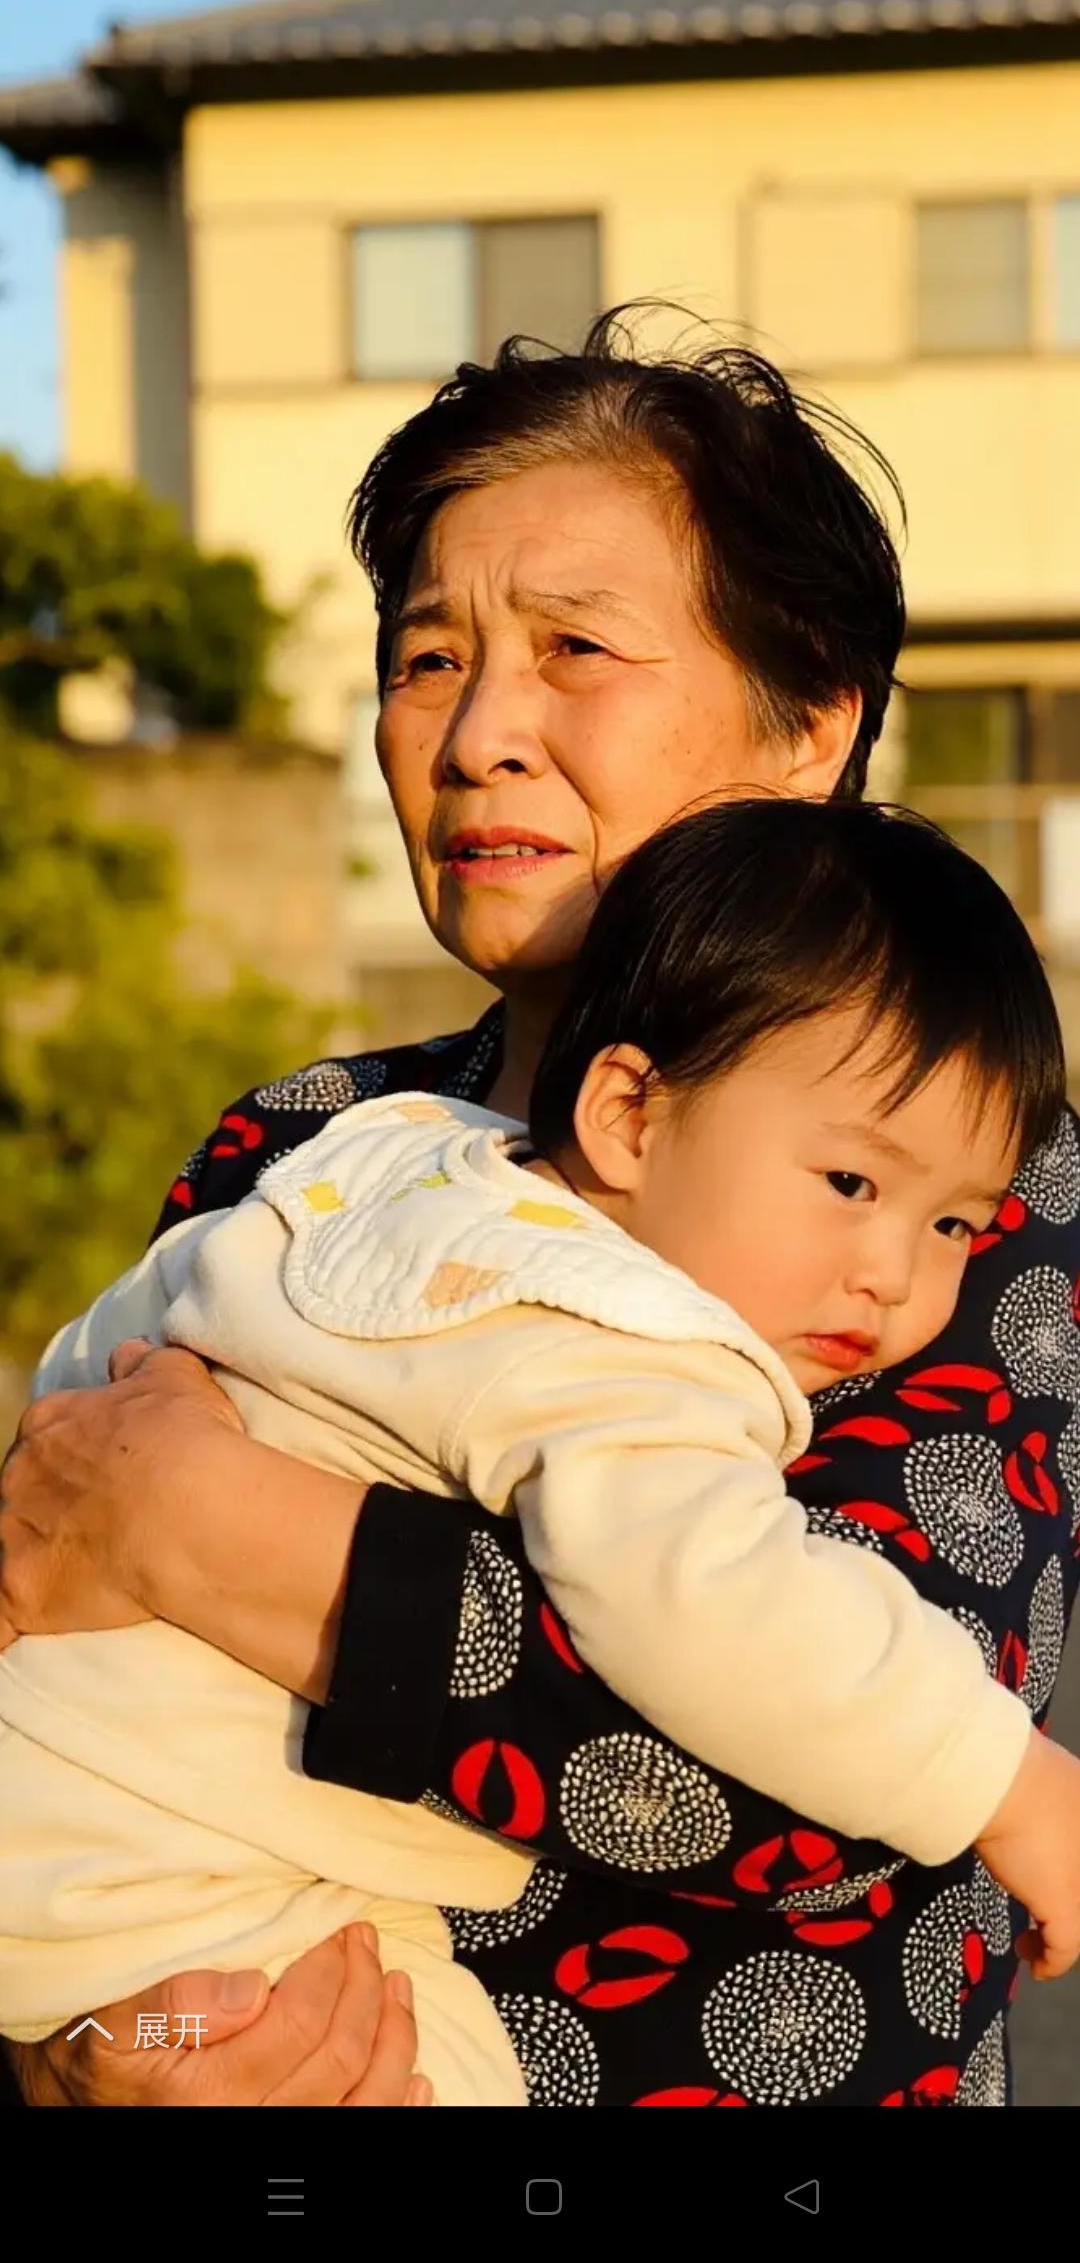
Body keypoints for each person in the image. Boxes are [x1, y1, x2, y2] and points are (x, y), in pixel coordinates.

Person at [2, 313, 1078, 2108]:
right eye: (430, 658)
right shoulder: (312, 1138)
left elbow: (805, 1806)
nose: (480, 734)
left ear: (809, 722)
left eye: (577, 648)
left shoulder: (954, 1199)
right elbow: (42, 1620)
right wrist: (96, 2052)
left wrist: (200, 1523)